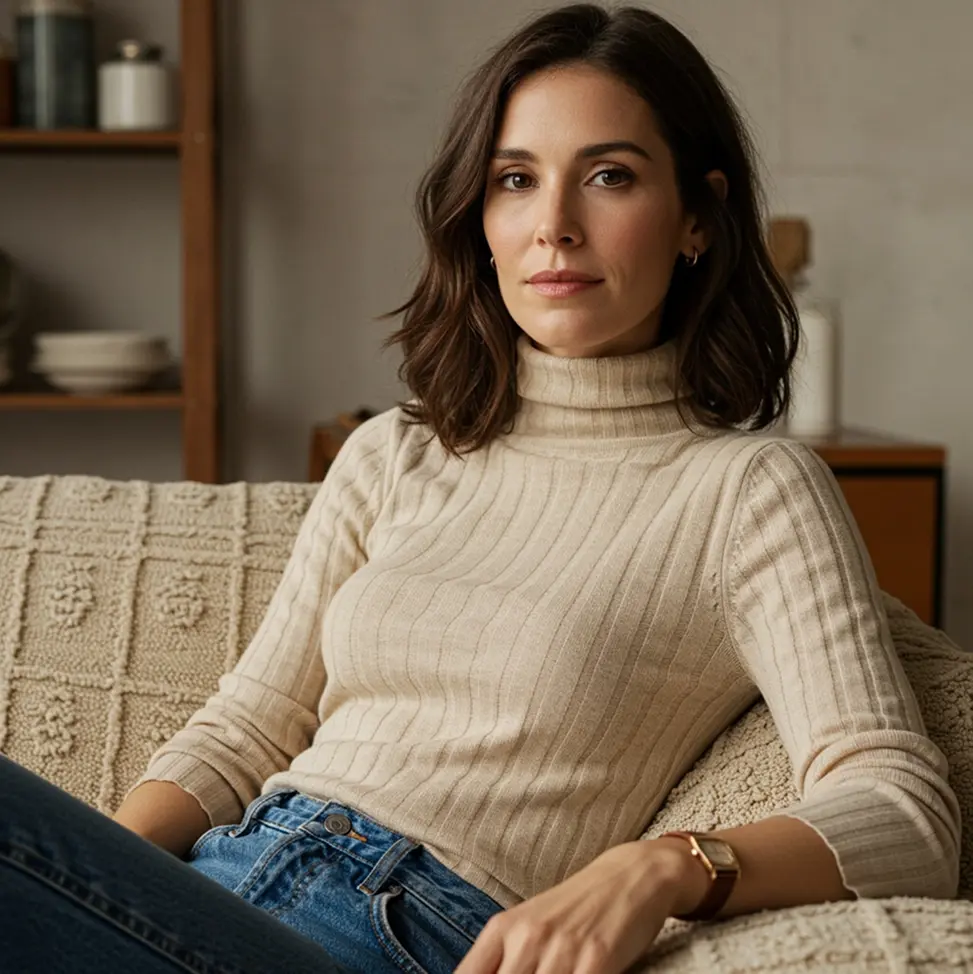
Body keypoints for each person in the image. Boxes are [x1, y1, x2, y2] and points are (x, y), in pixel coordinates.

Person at [1, 4, 960, 973]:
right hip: (209, 888)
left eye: (609, 176)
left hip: (394, 925)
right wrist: (82, 879)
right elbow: (244, 730)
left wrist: (662, 867)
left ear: (698, 218)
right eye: (514, 180)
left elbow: (902, 808)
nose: (553, 226)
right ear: (480, 218)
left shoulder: (749, 489)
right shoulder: (394, 453)